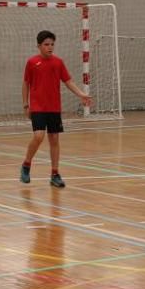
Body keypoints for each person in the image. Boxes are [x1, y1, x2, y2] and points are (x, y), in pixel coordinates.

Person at [20, 30, 92, 186]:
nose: (50, 47)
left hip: (54, 107)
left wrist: (81, 94)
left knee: (54, 139)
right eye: (46, 44)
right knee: (38, 136)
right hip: (38, 107)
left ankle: (55, 174)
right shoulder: (32, 62)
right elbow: (26, 84)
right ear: (39, 46)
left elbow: (68, 81)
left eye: (52, 44)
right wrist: (26, 104)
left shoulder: (58, 62)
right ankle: (26, 165)